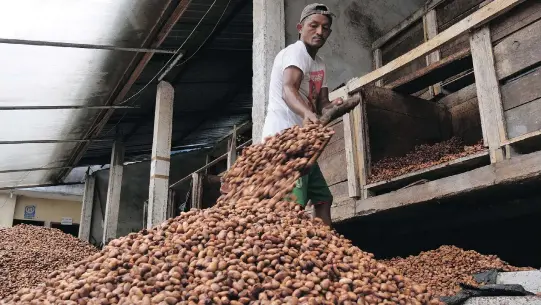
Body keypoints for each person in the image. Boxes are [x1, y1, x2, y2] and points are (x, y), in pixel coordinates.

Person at [261, 3, 343, 226]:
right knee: (292, 204)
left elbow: (323, 103)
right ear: (300, 27)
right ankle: (291, 252)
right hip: (284, 141)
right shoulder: (296, 52)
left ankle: (325, 248)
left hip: (302, 142)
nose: (319, 32)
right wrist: (307, 113)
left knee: (323, 198)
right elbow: (289, 89)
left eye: (325, 28)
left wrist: (333, 105)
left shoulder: (319, 64)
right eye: (313, 26)